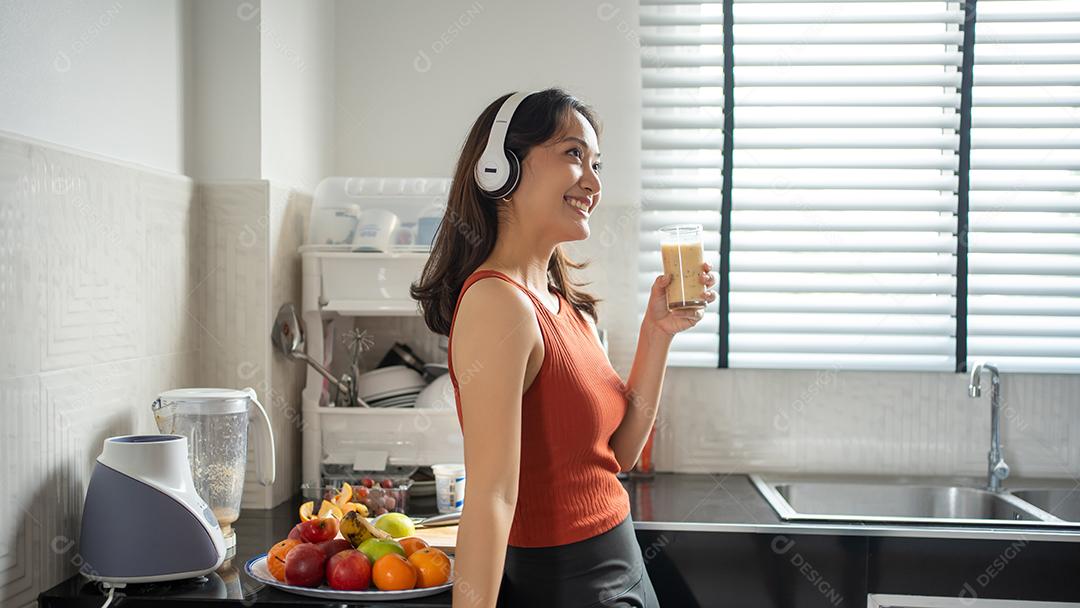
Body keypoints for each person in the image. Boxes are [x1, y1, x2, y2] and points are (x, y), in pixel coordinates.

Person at [411, 88, 716, 608]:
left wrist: (657, 332)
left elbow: (616, 454)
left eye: (597, 163)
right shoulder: (497, 303)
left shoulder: (559, 302)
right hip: (567, 583)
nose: (594, 183)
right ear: (499, 170)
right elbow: (491, 498)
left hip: (622, 565)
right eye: (574, 155)